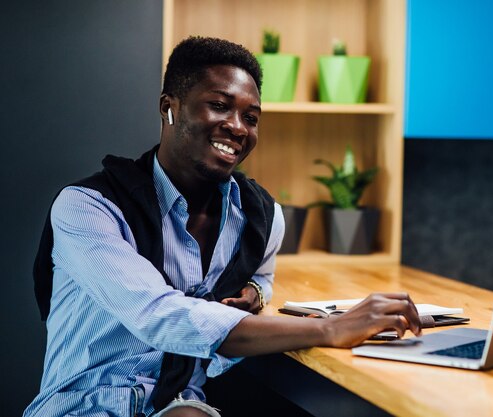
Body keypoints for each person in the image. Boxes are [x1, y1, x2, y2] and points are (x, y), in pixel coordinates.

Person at [25, 36, 422, 417]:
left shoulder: (261, 216)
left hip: (180, 402)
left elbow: (261, 277)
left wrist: (254, 291)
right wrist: (331, 329)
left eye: (251, 117)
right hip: (87, 404)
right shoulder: (89, 207)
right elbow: (159, 315)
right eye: (219, 105)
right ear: (170, 108)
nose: (238, 127)